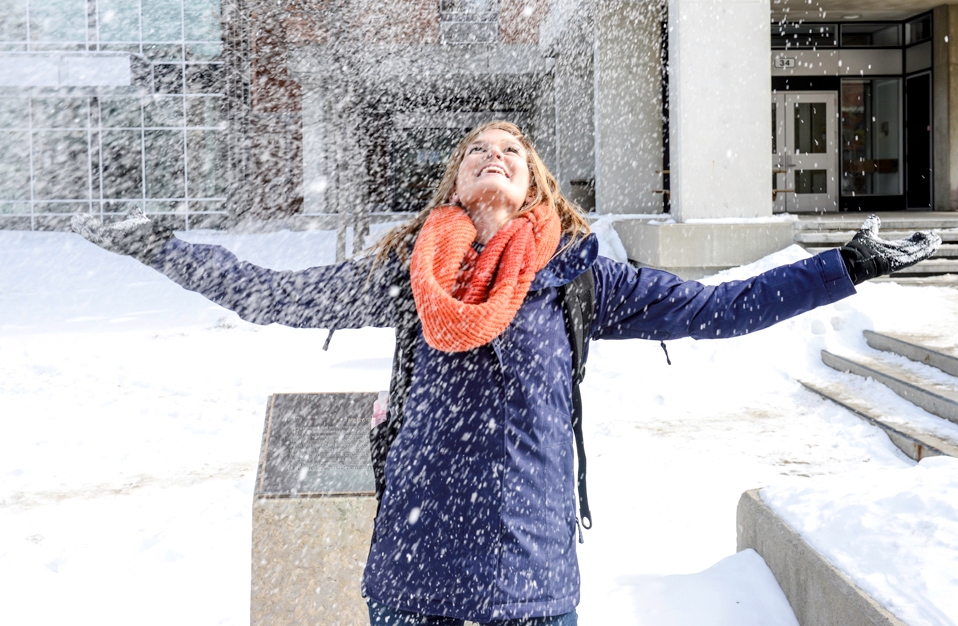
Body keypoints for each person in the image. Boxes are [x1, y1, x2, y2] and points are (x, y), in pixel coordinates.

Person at [72, 121, 940, 625]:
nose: (494, 153)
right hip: (412, 584)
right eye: (477, 148)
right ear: (454, 181)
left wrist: (846, 266)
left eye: (512, 149)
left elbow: (719, 309)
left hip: (531, 586)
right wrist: (163, 250)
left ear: (536, 187)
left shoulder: (578, 279)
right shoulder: (406, 276)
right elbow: (268, 294)